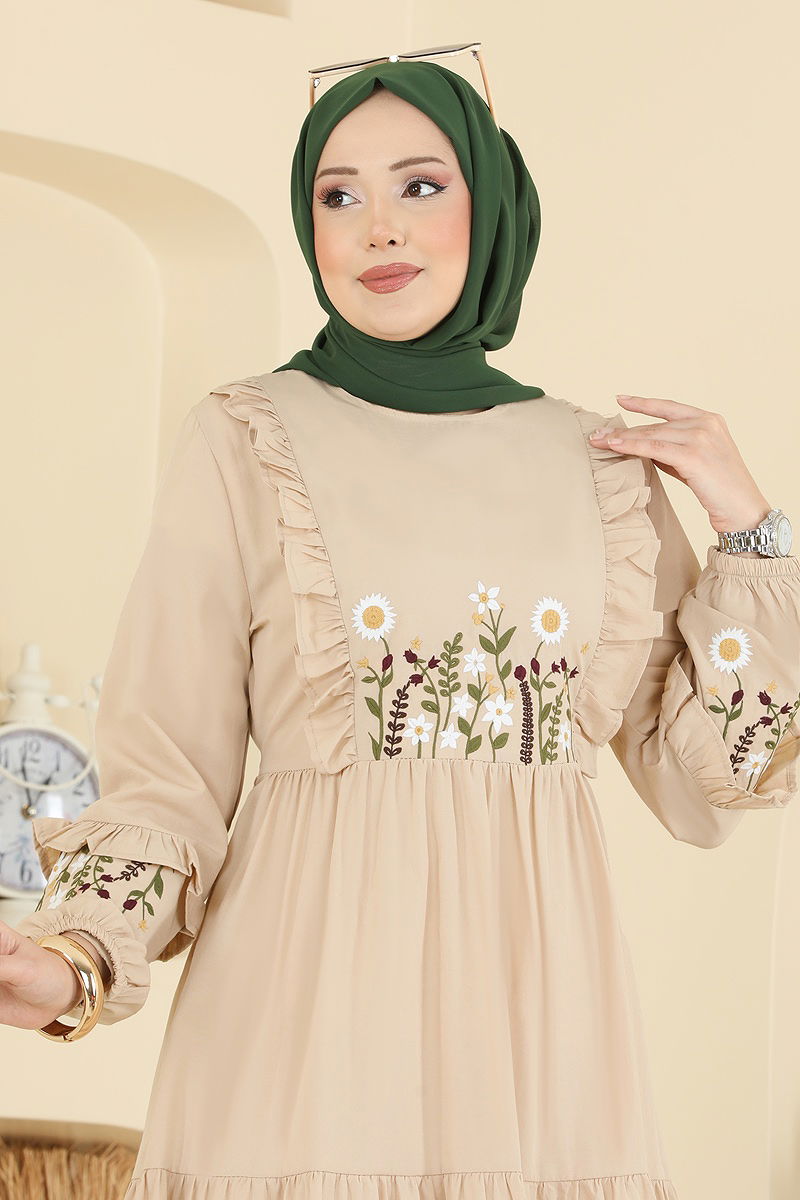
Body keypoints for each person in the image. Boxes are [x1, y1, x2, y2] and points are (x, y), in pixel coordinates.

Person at [2, 55, 799, 1200]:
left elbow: (708, 783)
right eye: (338, 194)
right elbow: (167, 772)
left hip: (540, 1035)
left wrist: (748, 532)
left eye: (420, 185)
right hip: (299, 1014)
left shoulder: (601, 469)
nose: (376, 225)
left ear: (494, 207)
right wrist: (77, 959)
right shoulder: (248, 437)